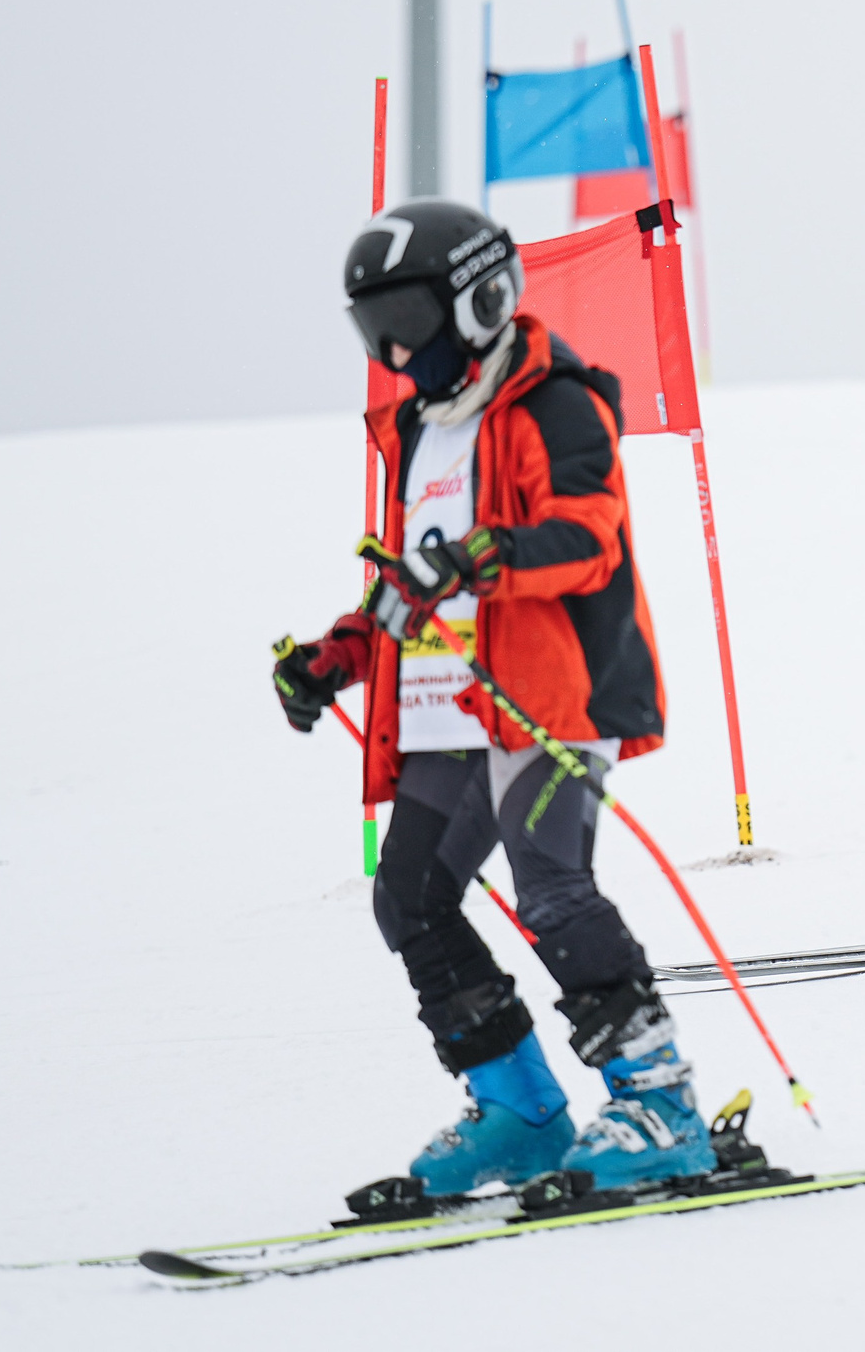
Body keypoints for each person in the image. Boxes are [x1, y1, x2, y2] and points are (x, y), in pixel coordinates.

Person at [270, 199, 738, 1195]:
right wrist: (335, 657)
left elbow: (587, 536)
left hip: (549, 694)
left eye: (412, 317)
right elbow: (409, 578)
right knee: (410, 898)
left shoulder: (556, 402)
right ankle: (520, 1111)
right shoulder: (416, 429)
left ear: (480, 299)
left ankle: (660, 1105)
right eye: (376, 325)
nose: (398, 348)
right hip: (445, 706)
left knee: (552, 891)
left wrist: (485, 554)